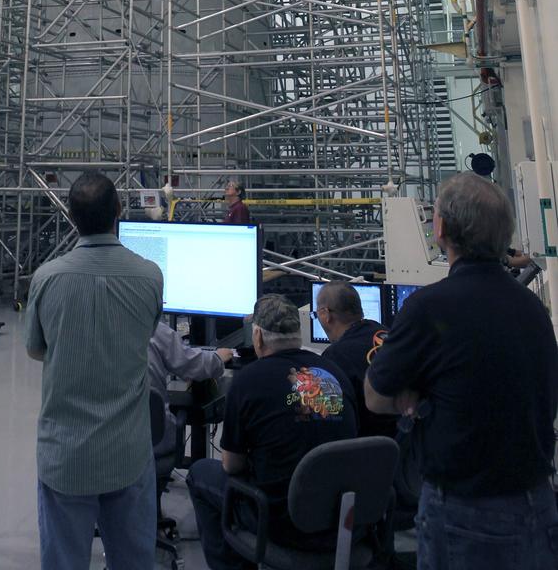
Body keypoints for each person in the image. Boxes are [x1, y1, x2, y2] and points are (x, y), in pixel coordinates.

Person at [365, 172, 558, 570]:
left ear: (440, 227)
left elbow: (376, 395)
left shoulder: (430, 307)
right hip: (538, 502)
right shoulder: (532, 308)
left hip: (466, 511)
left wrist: (417, 397)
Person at [25, 171, 163, 570]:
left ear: (70, 216)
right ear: (119, 210)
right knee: (134, 561)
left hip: (65, 453)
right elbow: (146, 336)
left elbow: (36, 350)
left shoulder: (47, 279)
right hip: (127, 452)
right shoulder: (151, 276)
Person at [187, 295, 356, 568]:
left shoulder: (248, 381)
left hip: (279, 520)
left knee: (200, 474)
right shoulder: (334, 371)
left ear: (258, 336)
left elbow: (231, 465)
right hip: (340, 517)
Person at [315, 282, 395, 437]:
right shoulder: (385, 332)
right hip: (408, 440)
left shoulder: (334, 357)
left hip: (369, 447)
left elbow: (327, 419)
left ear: (326, 314)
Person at [148, 320, 232, 457]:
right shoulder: (152, 329)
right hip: (153, 444)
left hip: (105, 445)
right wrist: (217, 358)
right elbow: (191, 364)